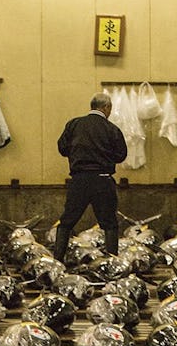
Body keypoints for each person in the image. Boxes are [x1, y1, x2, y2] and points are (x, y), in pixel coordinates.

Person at [53, 92, 127, 264]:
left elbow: (62, 148)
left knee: (66, 222)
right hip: (103, 180)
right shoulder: (112, 129)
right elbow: (121, 155)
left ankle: (57, 261)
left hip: (79, 180)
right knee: (109, 224)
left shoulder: (74, 124)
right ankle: (112, 263)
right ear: (106, 107)